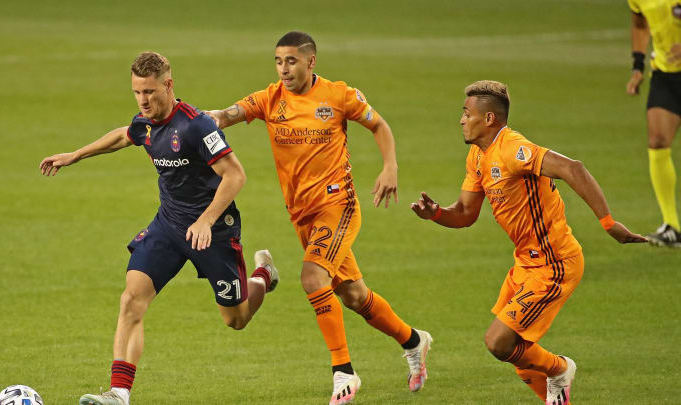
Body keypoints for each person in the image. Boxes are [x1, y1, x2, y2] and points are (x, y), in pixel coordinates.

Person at [39, 52, 280, 405]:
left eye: (150, 91)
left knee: (236, 319)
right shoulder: (145, 122)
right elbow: (124, 135)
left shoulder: (198, 126)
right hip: (168, 225)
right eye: (137, 92)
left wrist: (206, 220)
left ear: (168, 85)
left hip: (213, 231)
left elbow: (235, 175)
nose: (143, 100)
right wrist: (75, 155)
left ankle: (262, 275)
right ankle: (119, 393)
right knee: (131, 298)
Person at [205, 31, 431, 404]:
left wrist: (389, 167)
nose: (284, 69)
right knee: (353, 295)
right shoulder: (270, 98)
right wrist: (204, 119)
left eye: (291, 61)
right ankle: (414, 340)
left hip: (338, 207)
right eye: (278, 61)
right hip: (303, 216)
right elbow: (228, 114)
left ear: (311, 62)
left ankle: (343, 372)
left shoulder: (338, 95)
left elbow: (379, 125)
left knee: (313, 278)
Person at [411, 81, 647, 404]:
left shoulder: (512, 149)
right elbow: (465, 212)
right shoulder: (478, 156)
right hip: (526, 263)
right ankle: (556, 385)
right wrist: (436, 213)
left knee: (499, 342)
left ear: (489, 119)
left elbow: (571, 168)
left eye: (467, 113)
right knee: (520, 359)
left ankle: (561, 369)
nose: (462, 120)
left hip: (555, 264)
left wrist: (608, 223)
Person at [626, 0, 681, 247]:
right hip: (665, 74)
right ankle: (672, 226)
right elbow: (639, 23)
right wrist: (638, 66)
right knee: (657, 141)